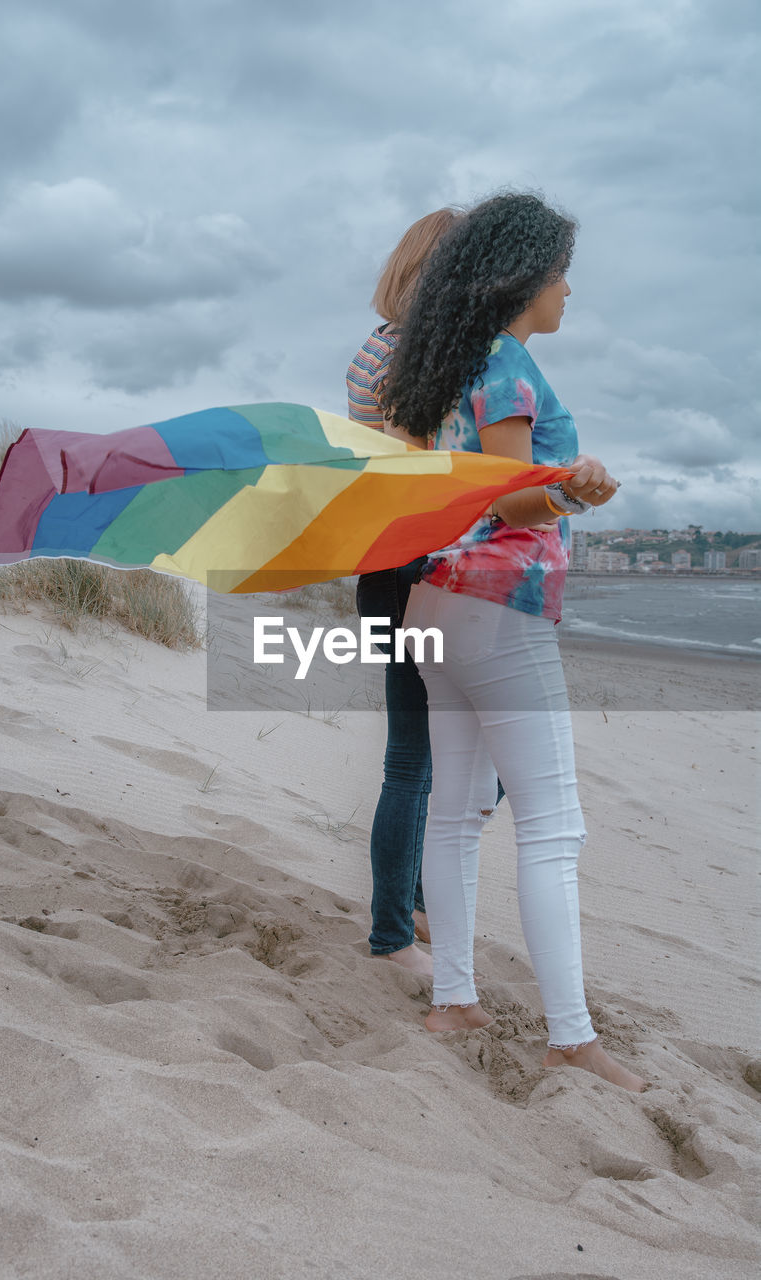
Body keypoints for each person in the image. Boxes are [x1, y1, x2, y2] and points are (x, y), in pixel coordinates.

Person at [383, 192, 647, 1091]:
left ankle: (454, 998)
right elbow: (500, 497)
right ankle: (570, 1037)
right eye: (560, 273)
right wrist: (577, 492)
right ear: (522, 279)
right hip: (498, 610)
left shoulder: (446, 364)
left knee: (455, 817)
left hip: (437, 604)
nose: (568, 290)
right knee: (552, 825)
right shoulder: (501, 366)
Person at [346, 210, 460, 977]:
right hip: (418, 569)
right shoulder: (423, 364)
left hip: (382, 568)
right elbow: (429, 473)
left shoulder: (371, 352)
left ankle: (411, 909)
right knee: (421, 765)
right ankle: (395, 930)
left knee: (422, 763)